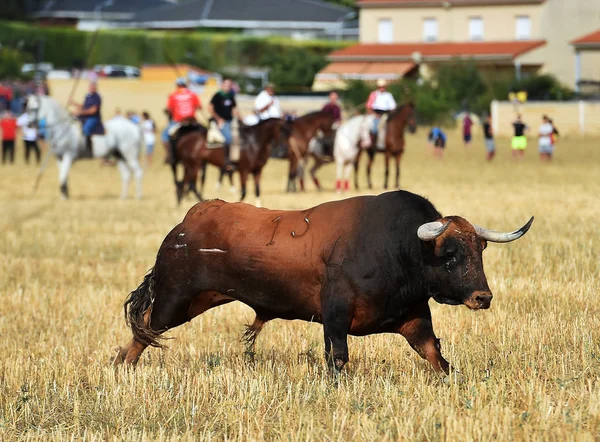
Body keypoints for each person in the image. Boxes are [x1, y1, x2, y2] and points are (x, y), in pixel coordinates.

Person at [165, 78, 202, 164]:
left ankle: (171, 156)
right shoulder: (193, 94)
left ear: (177, 85)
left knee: (166, 136)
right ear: (186, 85)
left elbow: (169, 109)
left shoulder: (173, 95)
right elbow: (199, 107)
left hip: (178, 121)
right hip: (192, 121)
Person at [209, 77, 241, 167]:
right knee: (228, 138)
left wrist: (240, 118)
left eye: (229, 85)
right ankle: (227, 160)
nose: (227, 86)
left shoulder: (231, 96)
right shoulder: (218, 95)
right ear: (222, 85)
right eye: (226, 84)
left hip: (230, 120)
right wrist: (218, 119)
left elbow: (234, 109)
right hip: (221, 122)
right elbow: (210, 108)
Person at [69, 81, 103, 156]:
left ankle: (89, 151)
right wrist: (73, 103)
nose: (91, 88)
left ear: (96, 88)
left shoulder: (97, 97)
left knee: (86, 129)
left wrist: (81, 112)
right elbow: (84, 106)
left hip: (93, 118)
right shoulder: (88, 96)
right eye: (90, 87)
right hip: (85, 116)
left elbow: (93, 111)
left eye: (93, 87)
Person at [366, 79, 396, 143]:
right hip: (376, 114)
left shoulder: (388, 95)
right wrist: (375, 114)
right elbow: (369, 107)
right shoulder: (374, 94)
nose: (382, 88)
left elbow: (393, 107)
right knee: (374, 129)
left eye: (383, 87)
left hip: (386, 114)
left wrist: (390, 113)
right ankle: (372, 143)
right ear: (378, 87)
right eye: (380, 87)